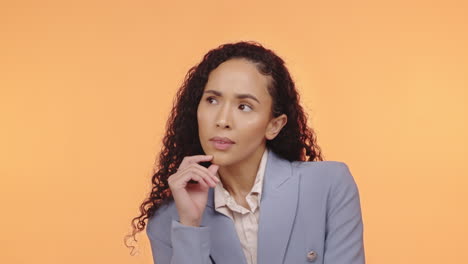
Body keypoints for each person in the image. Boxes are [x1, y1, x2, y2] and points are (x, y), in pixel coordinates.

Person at [126, 41, 365, 264]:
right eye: (212, 100)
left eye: (244, 106)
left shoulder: (328, 185)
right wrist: (190, 226)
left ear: (274, 125)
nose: (222, 120)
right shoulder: (169, 220)